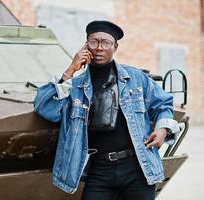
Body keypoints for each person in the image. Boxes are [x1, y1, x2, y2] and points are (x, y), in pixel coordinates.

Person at [34, 20, 179, 200]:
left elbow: (163, 103)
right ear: (86, 46)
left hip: (137, 168)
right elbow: (44, 106)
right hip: (99, 171)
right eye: (94, 42)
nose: (99, 48)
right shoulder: (76, 86)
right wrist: (71, 69)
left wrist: (162, 129)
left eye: (106, 43)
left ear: (115, 47)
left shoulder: (135, 78)